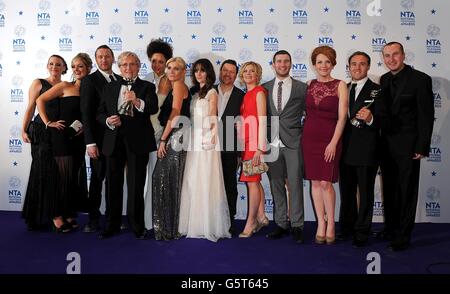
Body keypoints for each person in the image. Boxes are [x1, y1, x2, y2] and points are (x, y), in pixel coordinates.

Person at [378, 42, 434, 251]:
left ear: (403, 55)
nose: (391, 59)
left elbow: (426, 116)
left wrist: (422, 145)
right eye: (387, 56)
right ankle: (390, 229)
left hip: (409, 146)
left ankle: (403, 236)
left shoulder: (420, 79)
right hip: (386, 146)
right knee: (390, 190)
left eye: (395, 55)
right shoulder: (383, 80)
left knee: (407, 192)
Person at [96, 51, 158, 239]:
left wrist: (137, 101)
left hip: (138, 141)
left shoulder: (147, 86)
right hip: (113, 141)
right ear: (119, 67)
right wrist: (108, 120)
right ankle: (112, 224)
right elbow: (99, 113)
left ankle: (137, 225)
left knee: (136, 184)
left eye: (132, 64)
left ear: (139, 66)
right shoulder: (110, 87)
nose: (128, 68)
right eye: (124, 65)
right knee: (113, 184)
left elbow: (153, 108)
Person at [36, 53, 92, 233]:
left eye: (80, 66)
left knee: (71, 179)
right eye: (74, 66)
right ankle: (56, 216)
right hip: (61, 138)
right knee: (61, 178)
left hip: (79, 139)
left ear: (88, 68)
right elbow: (40, 99)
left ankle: (68, 213)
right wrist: (47, 122)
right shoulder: (65, 86)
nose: (76, 70)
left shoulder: (91, 89)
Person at [178, 58, 231, 242]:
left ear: (208, 73)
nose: (199, 73)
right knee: (193, 179)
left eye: (203, 70)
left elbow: (212, 117)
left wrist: (209, 138)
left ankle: (208, 224)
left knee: (206, 179)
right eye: (196, 70)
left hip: (206, 139)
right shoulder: (195, 93)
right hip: (194, 139)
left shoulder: (212, 92)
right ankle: (193, 223)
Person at [337, 51, 386, 247]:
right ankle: (346, 228)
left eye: (362, 64)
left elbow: (386, 119)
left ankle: (362, 232)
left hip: (367, 150)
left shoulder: (378, 90)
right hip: (345, 149)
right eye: (354, 64)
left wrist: (371, 118)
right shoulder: (342, 88)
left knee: (365, 193)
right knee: (347, 192)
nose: (357, 67)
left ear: (368, 66)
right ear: (348, 67)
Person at [301, 46, 348, 245]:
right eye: (319, 62)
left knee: (326, 183)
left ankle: (331, 225)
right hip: (309, 139)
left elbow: (342, 117)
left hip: (330, 139)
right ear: (314, 64)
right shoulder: (309, 84)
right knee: (314, 182)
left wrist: (333, 143)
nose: (323, 65)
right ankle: (321, 222)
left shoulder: (340, 85)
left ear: (333, 64)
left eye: (327, 61)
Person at [263, 50, 307, 243]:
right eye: (279, 61)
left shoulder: (302, 88)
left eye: (286, 61)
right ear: (273, 64)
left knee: (295, 184)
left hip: (294, 142)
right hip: (271, 143)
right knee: (276, 184)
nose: (282, 64)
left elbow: (312, 115)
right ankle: (281, 223)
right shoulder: (264, 88)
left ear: (291, 64)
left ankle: (297, 225)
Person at [21, 54, 67, 231]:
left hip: (58, 134)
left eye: (58, 64)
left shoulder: (66, 86)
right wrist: (23, 129)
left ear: (64, 67)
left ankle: (45, 214)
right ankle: (53, 217)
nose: (54, 67)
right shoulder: (38, 83)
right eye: (51, 64)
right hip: (41, 132)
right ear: (47, 66)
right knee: (43, 171)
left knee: (54, 173)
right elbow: (31, 107)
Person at [80, 45, 119, 233]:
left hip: (116, 142)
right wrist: (90, 142)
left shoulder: (120, 80)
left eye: (107, 56)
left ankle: (113, 218)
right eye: (100, 57)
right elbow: (86, 113)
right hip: (98, 141)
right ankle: (93, 219)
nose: (104, 60)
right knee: (96, 180)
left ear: (113, 58)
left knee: (113, 181)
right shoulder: (89, 81)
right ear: (96, 60)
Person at [152, 57, 191, 241]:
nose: (171, 71)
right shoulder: (176, 86)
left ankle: (169, 228)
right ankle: (169, 227)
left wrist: (164, 139)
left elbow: (175, 113)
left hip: (176, 135)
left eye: (176, 68)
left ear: (183, 71)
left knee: (165, 179)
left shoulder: (178, 86)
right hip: (178, 134)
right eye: (169, 68)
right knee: (169, 179)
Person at [143, 39, 173, 231]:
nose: (156, 65)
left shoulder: (173, 80)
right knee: (146, 179)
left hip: (162, 135)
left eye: (160, 61)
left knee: (159, 178)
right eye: (153, 61)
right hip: (144, 135)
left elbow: (172, 110)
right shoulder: (145, 79)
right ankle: (147, 220)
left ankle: (158, 220)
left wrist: (162, 135)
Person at [237, 61, 269, 238]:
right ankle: (262, 216)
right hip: (247, 143)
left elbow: (262, 120)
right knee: (254, 180)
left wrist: (259, 148)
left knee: (251, 182)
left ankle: (251, 222)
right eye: (246, 71)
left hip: (255, 144)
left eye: (252, 71)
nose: (249, 74)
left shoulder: (259, 93)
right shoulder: (246, 94)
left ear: (258, 75)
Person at [214, 59, 245, 235]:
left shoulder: (241, 95)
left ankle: (229, 219)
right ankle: (211, 218)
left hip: (230, 146)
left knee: (229, 184)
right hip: (208, 147)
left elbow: (243, 124)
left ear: (236, 75)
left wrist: (240, 151)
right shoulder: (209, 91)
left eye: (232, 71)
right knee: (210, 184)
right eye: (225, 70)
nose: (228, 74)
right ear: (220, 71)